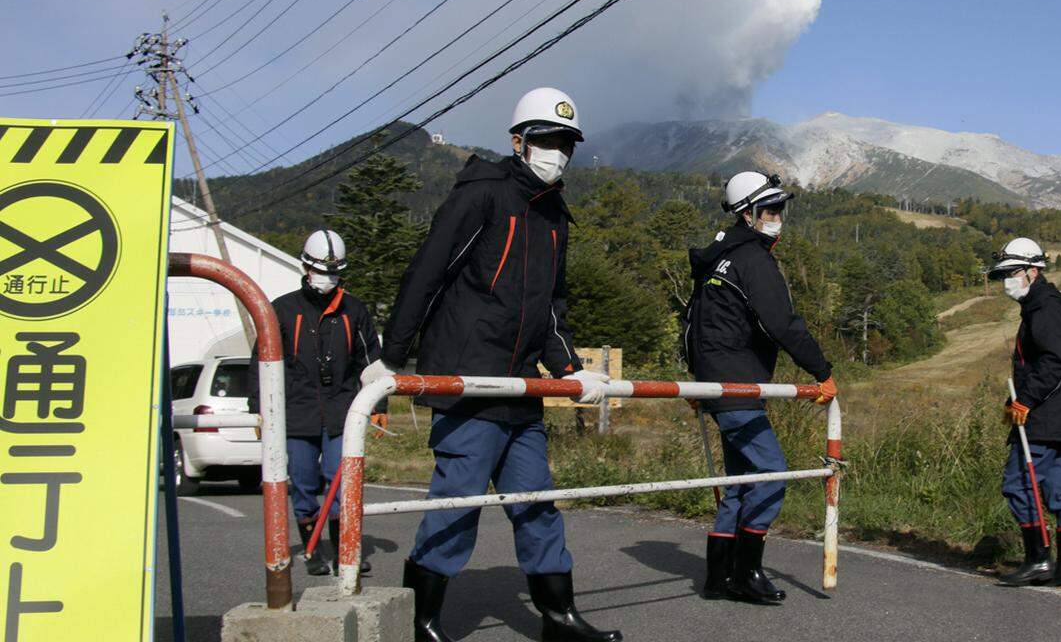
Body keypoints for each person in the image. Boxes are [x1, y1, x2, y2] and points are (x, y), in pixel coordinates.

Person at [362, 87, 620, 642]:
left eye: (566, 145)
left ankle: (559, 618)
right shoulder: (482, 195)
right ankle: (424, 621)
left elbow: (553, 304)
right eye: (547, 141)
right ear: (518, 141)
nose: (557, 153)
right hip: (467, 380)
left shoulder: (555, 217)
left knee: (537, 506)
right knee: (458, 506)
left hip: (519, 386)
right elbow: (427, 273)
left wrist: (569, 369)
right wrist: (391, 356)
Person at [682, 171, 837, 604]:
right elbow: (783, 323)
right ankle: (747, 572)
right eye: (769, 210)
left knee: (740, 483)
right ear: (746, 214)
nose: (777, 218)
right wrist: (821, 371)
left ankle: (718, 579)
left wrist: (699, 379)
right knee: (771, 476)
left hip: (720, 383)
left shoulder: (719, 257)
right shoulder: (751, 258)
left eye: (780, 209)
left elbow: (693, 326)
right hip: (738, 387)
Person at [250, 229, 385, 576]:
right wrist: (259, 409)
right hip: (296, 412)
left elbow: (370, 361)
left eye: (334, 272)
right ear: (306, 268)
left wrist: (380, 406)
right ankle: (311, 552)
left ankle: (344, 553)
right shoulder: (281, 310)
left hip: (342, 410)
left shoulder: (354, 310)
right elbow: (262, 364)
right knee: (304, 484)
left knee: (342, 483)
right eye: (321, 272)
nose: (327, 279)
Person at [989, 237, 1061, 587]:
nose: (1006, 281)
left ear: (1033, 272)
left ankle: (1038, 560)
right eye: (1002, 273)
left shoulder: (1045, 308)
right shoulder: (1045, 306)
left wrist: (1026, 400)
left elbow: (1058, 361)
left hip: (1045, 418)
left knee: (1018, 485)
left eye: (1012, 272)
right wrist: (1016, 401)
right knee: (1060, 489)